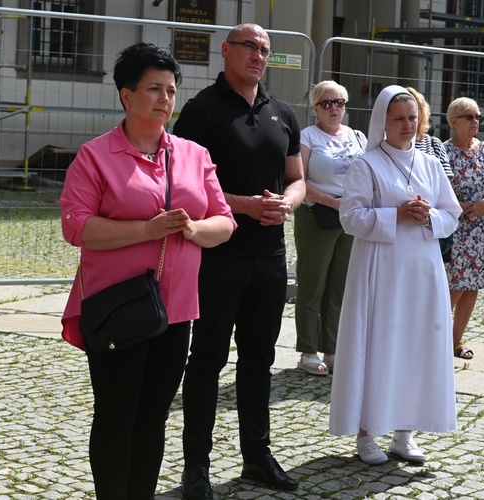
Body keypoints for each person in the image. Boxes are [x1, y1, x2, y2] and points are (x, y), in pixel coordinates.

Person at [59, 42, 236, 499]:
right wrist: (149, 229)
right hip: (118, 305)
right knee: (117, 415)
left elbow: (225, 222)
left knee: (154, 415)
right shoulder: (95, 156)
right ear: (126, 95)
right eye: (153, 88)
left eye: (171, 90)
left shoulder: (194, 155)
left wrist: (194, 229)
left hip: (176, 310)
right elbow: (76, 227)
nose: (164, 99)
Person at [172, 23, 305, 497]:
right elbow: (183, 185)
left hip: (269, 257)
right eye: (249, 46)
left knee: (259, 360)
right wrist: (243, 205)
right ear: (225, 50)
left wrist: (288, 202)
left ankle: (257, 457)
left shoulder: (283, 112)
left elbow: (298, 177)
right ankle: (196, 468)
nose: (258, 55)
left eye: (265, 49)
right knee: (207, 360)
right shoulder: (201, 111)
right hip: (217, 256)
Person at [329, 85, 462, 465]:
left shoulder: (431, 165)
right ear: (382, 122)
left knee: (416, 344)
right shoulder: (366, 164)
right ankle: (367, 431)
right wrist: (397, 215)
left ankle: (405, 432)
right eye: (399, 118)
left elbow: (450, 214)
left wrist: (428, 216)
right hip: (380, 269)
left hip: (422, 269)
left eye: (412, 118)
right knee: (378, 343)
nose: (407, 125)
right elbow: (350, 217)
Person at [294, 80, 367, 376]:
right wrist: (329, 201)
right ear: (315, 108)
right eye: (326, 103)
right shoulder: (307, 137)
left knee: (340, 287)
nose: (333, 108)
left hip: (350, 217)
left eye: (339, 102)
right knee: (313, 284)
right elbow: (298, 180)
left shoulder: (357, 136)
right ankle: (308, 350)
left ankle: (333, 349)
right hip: (317, 215)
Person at [444, 97, 484, 360]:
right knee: (455, 284)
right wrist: (461, 206)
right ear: (453, 121)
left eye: (478, 116)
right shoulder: (444, 151)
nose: (475, 121)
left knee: (473, 286)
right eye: (469, 117)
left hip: (483, 228)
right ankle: (436, 339)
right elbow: (438, 190)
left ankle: (456, 342)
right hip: (457, 227)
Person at [405, 86, 453, 178]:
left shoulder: (434, 144)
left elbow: (446, 180)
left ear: (422, 111)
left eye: (415, 107)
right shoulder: (388, 144)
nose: (409, 113)